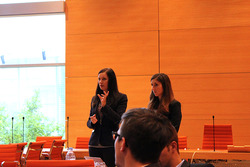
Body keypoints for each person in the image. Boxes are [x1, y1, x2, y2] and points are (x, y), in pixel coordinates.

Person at [87, 68, 128, 167]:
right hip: (94, 143)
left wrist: (105, 107)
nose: (100, 82)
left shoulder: (121, 98)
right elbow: (88, 122)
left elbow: (118, 118)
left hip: (110, 143)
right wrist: (93, 122)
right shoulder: (95, 98)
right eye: (99, 79)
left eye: (104, 79)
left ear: (111, 80)